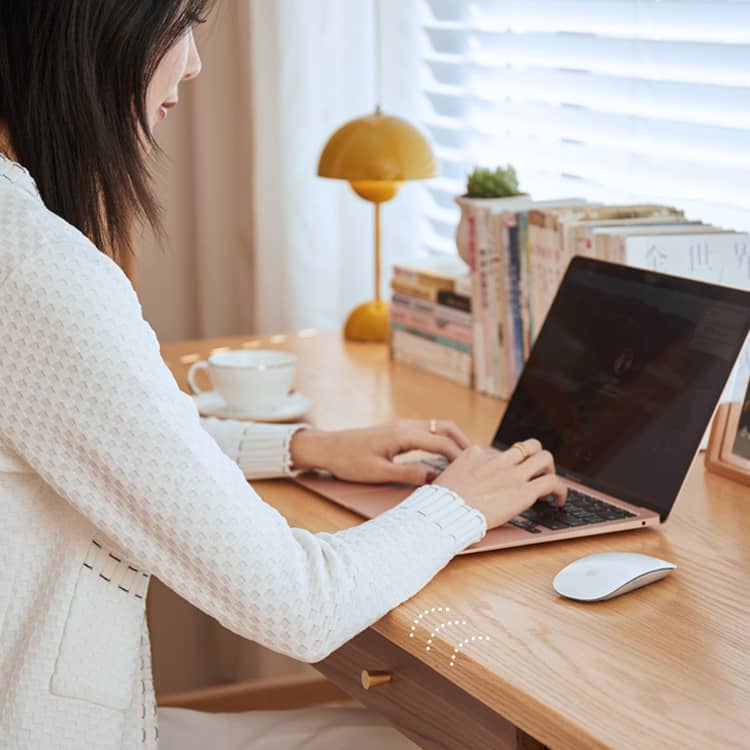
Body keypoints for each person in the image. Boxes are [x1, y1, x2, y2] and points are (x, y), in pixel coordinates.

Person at [0, 3, 565, 749]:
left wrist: (304, 449)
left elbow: (99, 430)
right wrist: (460, 503)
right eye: (182, 25)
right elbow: (302, 605)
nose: (194, 62)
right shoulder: (39, 273)